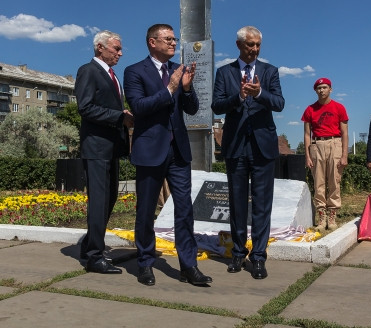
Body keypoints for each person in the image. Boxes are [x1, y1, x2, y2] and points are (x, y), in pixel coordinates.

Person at [123, 24, 212, 286]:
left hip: (178, 152)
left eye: (174, 39)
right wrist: (170, 89)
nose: (174, 43)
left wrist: (185, 88)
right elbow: (139, 107)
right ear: (153, 42)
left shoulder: (179, 70)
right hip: (150, 150)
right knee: (146, 210)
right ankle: (145, 264)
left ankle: (188, 266)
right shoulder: (134, 71)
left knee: (184, 210)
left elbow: (193, 109)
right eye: (168, 39)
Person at [211, 26, 285, 279]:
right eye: (249, 45)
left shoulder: (270, 71)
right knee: (238, 203)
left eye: (257, 45)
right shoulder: (224, 72)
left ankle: (259, 257)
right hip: (235, 147)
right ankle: (238, 253)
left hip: (263, 147)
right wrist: (239, 96)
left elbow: (280, 103)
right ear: (239, 45)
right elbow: (216, 105)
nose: (254, 49)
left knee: (262, 205)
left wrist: (260, 93)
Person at [75, 30, 133, 274]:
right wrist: (120, 117)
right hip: (96, 148)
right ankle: (94, 257)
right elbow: (85, 107)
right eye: (116, 49)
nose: (120, 53)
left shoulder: (112, 75)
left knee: (109, 199)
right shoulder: (88, 71)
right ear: (100, 47)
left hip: (111, 148)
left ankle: (90, 244)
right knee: (99, 202)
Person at [301, 78, 349, 231]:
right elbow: (307, 134)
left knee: (334, 180)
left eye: (324, 87)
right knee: (319, 182)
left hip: (335, 143)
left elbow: (345, 133)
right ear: (315, 91)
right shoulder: (310, 109)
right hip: (317, 144)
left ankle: (332, 216)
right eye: (319, 88)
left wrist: (344, 155)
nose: (321, 90)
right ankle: (322, 217)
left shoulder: (339, 107)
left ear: (330, 89)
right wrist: (307, 156)